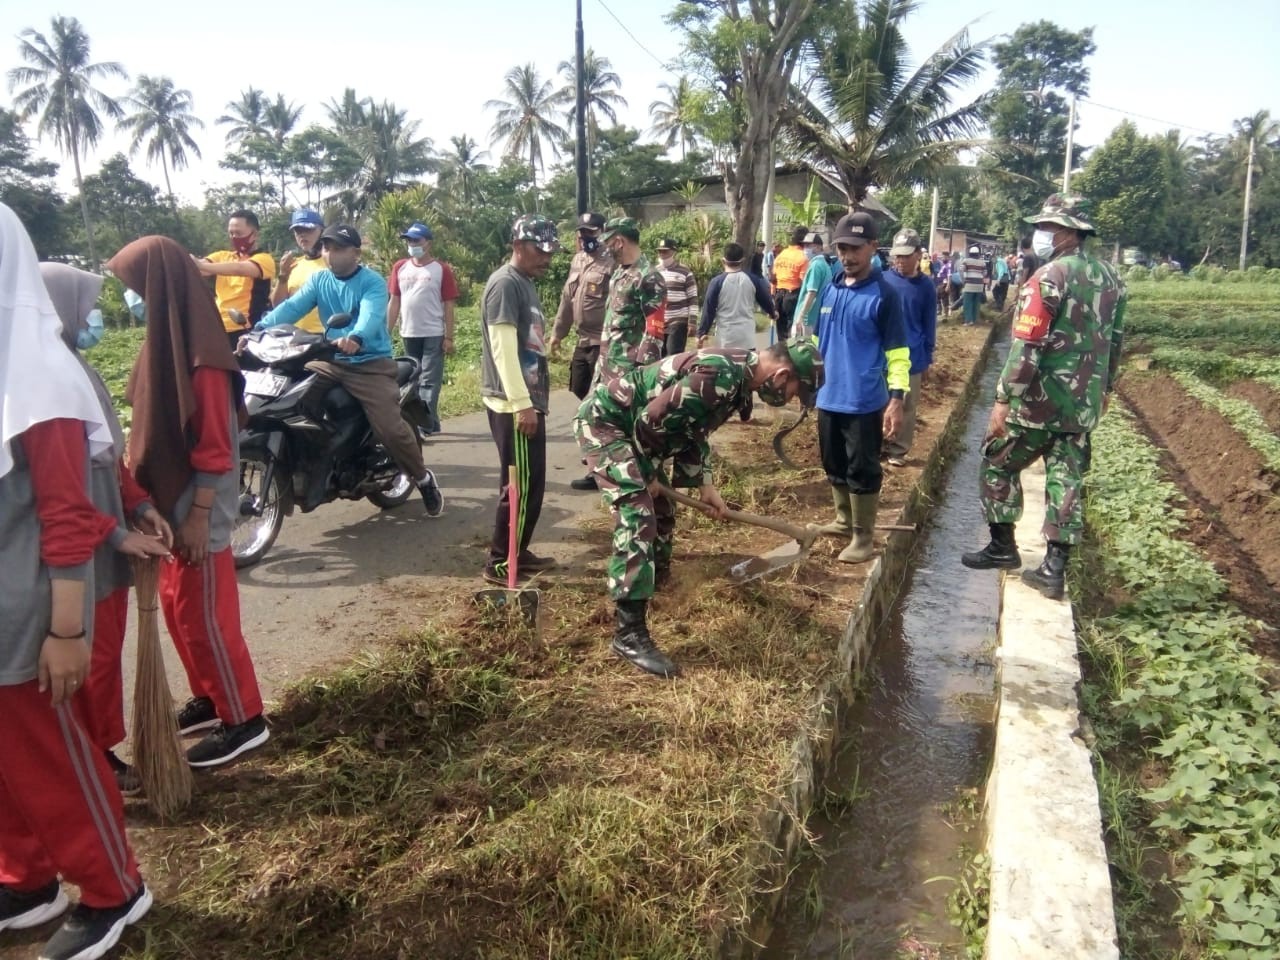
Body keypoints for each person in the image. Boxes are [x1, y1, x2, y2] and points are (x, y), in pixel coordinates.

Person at [0, 203, 154, 960]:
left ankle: (112, 888)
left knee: (57, 759)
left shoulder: (41, 376)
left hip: (29, 616)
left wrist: (66, 632)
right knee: (7, 762)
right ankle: (25, 879)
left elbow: (66, 512)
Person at [109, 235, 272, 768]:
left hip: (199, 506)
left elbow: (216, 447)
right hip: (173, 504)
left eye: (138, 287)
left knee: (206, 614)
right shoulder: (168, 341)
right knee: (182, 610)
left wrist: (200, 516)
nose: (134, 298)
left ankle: (244, 718)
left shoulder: (203, 356)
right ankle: (211, 695)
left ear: (160, 287)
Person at [574, 340, 824, 678]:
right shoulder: (721, 373)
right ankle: (628, 633)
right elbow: (649, 422)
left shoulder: (739, 381)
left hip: (637, 431)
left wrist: (706, 486)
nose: (790, 399)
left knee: (662, 512)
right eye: (795, 392)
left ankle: (656, 584)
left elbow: (694, 430)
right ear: (781, 375)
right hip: (608, 424)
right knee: (638, 513)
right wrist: (646, 473)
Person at [40, 263, 175, 795]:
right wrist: (116, 534)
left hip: (105, 545)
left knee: (103, 660)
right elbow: (53, 494)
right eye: (85, 305)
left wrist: (138, 505)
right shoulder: (39, 389)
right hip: (73, 558)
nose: (93, 316)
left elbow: (107, 458)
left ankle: (99, 751)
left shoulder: (78, 370)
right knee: (81, 666)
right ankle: (88, 761)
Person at [961, 194, 1127, 600]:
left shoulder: (1049, 277)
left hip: (1040, 404)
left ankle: (1003, 546)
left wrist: (1003, 400)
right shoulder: (1112, 278)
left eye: (1048, 228)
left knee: (997, 462)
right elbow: (1116, 342)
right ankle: (1054, 569)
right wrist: (1105, 389)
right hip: (1082, 404)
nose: (1041, 235)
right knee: (1066, 478)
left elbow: (1027, 347)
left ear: (1069, 232)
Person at [255, 224, 444, 517]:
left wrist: (356, 337)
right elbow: (292, 307)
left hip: (370, 365)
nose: (331, 254)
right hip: (329, 361)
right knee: (289, 399)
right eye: (327, 248)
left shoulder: (371, 282)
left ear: (356, 253)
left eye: (339, 248)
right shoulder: (320, 280)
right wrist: (258, 330)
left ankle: (422, 478)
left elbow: (371, 314)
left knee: (390, 429)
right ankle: (320, 456)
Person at [812, 212, 909, 563]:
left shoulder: (884, 294)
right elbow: (816, 340)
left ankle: (863, 537)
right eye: (841, 248)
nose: (847, 256)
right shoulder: (831, 287)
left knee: (862, 467)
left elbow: (898, 353)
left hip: (864, 399)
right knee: (832, 461)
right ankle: (843, 520)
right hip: (828, 395)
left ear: (872, 247)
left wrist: (896, 399)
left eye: (855, 248)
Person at [478, 215, 561, 585]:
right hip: (514, 405)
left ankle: (518, 551)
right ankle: (500, 561)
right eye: (539, 250)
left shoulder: (524, 282)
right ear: (517, 247)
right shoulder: (505, 285)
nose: (547, 257)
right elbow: (503, 350)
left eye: (550, 251)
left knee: (531, 484)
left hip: (527, 401)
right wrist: (521, 404)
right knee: (518, 486)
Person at [550, 212, 614, 493]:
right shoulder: (578, 261)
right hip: (582, 340)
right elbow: (567, 299)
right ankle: (600, 446)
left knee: (594, 404)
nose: (586, 237)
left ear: (602, 232)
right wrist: (557, 334)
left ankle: (597, 465)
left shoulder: (612, 262)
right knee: (579, 388)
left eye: (591, 232)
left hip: (605, 342)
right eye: (582, 232)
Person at [387, 221, 459, 439]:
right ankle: (428, 421)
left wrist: (449, 336)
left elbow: (448, 304)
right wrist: (385, 332)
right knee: (411, 380)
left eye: (416, 240)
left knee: (429, 379)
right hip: (409, 332)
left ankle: (423, 427)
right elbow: (394, 301)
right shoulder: (400, 267)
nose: (412, 244)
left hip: (433, 332)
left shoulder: (440, 269)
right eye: (409, 240)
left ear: (428, 243)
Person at [697, 242, 778, 422]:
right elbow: (765, 300)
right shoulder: (752, 280)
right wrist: (773, 312)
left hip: (725, 337)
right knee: (746, 375)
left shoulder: (717, 282)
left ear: (723, 260)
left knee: (723, 374)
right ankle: (745, 412)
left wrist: (702, 332)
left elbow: (708, 309)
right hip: (746, 336)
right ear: (742, 260)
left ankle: (723, 411)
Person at [882, 228, 937, 468]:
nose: (901, 260)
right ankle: (878, 444)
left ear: (918, 254)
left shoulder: (926, 287)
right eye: (898, 256)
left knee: (906, 404)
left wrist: (927, 358)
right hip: (883, 355)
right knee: (878, 401)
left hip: (913, 354)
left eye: (906, 255)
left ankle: (898, 449)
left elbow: (929, 324)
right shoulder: (883, 280)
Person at [194, 209, 277, 350]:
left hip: (247, 330)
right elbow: (200, 268)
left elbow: (240, 269)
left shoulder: (264, 260)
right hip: (217, 328)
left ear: (255, 234)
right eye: (231, 233)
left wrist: (201, 265)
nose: (234, 237)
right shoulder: (223, 256)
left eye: (238, 233)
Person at [595, 217, 666, 384]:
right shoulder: (619, 273)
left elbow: (654, 332)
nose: (607, 249)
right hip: (606, 366)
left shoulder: (648, 277)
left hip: (628, 373)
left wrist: (643, 376)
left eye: (608, 243)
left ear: (619, 242)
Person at [271, 208, 327, 334]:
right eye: (298, 231)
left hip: (325, 337)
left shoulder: (333, 264)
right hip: (294, 337)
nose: (302, 235)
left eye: (308, 230)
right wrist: (283, 275)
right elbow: (278, 306)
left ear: (322, 231)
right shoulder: (293, 265)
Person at [655, 237, 698, 358]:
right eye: (660, 251)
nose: (662, 254)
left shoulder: (685, 272)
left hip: (678, 320)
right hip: (659, 322)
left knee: (673, 356)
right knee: (659, 357)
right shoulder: (655, 272)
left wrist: (692, 322)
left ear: (674, 252)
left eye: (665, 251)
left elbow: (693, 298)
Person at [771, 225, 809, 342]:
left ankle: (782, 354)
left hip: (779, 295)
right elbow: (804, 282)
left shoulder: (781, 255)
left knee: (781, 332)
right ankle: (790, 356)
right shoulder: (803, 257)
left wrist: (773, 297)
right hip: (793, 295)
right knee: (792, 330)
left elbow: (773, 278)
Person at [792, 232, 833, 340]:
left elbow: (811, 292)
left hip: (807, 318)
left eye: (809, 245)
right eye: (804, 246)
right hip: (816, 316)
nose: (806, 249)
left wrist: (801, 316)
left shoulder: (815, 266)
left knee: (802, 351)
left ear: (819, 247)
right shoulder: (824, 265)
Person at [961, 244, 986, 325]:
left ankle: (968, 321)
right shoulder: (982, 262)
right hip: (979, 285)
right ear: (978, 254)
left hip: (969, 284)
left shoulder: (966, 261)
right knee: (976, 303)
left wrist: (964, 280)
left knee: (967, 303)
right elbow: (985, 273)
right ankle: (975, 320)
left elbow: (962, 271)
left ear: (970, 253)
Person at [935, 255, 953, 320]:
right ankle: (940, 311)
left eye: (944, 257)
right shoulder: (944, 265)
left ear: (948, 258)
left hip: (944, 284)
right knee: (937, 296)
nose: (943, 258)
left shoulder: (948, 265)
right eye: (942, 257)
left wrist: (948, 285)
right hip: (940, 283)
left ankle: (946, 314)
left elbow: (949, 276)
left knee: (944, 299)